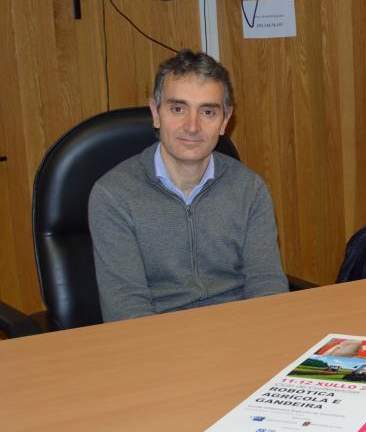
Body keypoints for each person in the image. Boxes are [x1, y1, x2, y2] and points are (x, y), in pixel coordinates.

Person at [89, 50, 288, 321]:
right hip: (157, 342)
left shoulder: (249, 189)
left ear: (224, 121)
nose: (192, 126)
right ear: (155, 113)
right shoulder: (113, 195)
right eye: (178, 109)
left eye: (207, 111)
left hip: (240, 335)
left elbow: (267, 287)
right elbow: (127, 310)